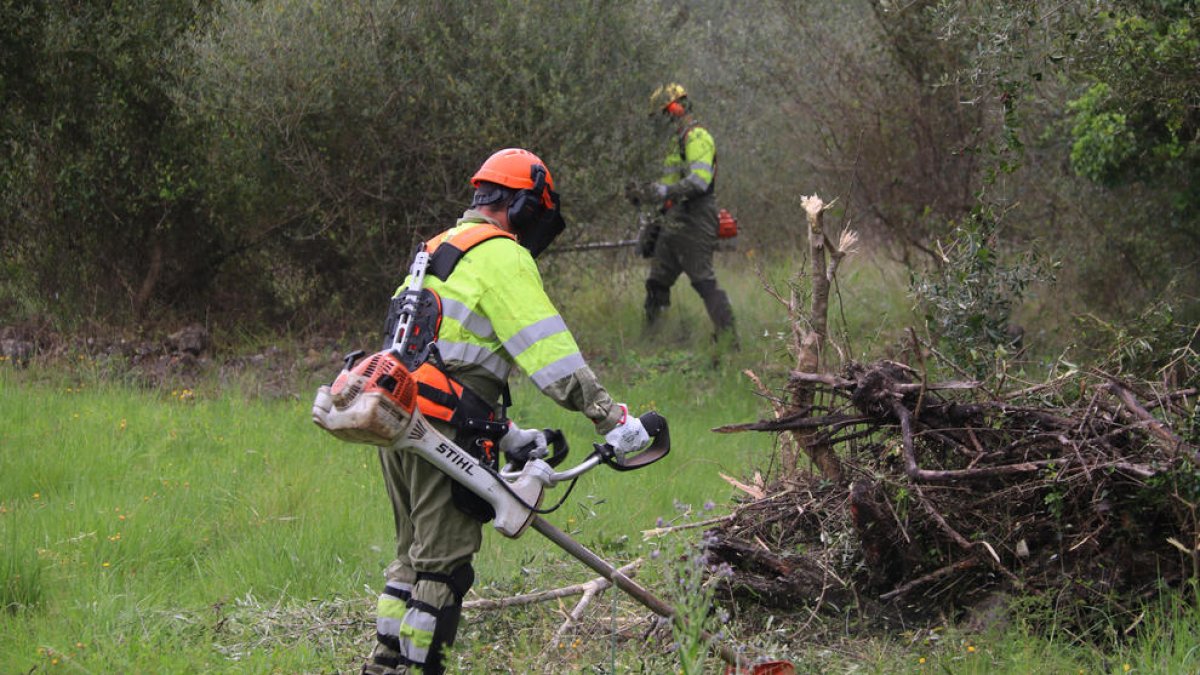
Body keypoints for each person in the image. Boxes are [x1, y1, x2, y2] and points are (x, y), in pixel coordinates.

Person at [363, 148, 651, 675]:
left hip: (397, 420)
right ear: (520, 207)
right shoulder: (501, 255)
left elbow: (435, 352)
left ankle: (383, 667)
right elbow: (552, 358)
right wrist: (613, 419)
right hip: (445, 430)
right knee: (442, 568)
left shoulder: (435, 250)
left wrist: (509, 434)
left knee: (410, 557)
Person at [641, 83, 736, 340]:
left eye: (663, 115)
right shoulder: (676, 142)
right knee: (657, 281)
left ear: (674, 109)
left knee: (702, 280)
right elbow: (670, 183)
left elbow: (699, 181)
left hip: (697, 215)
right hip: (674, 217)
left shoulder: (697, 137)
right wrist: (655, 200)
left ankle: (729, 341)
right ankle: (651, 338)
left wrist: (665, 192)